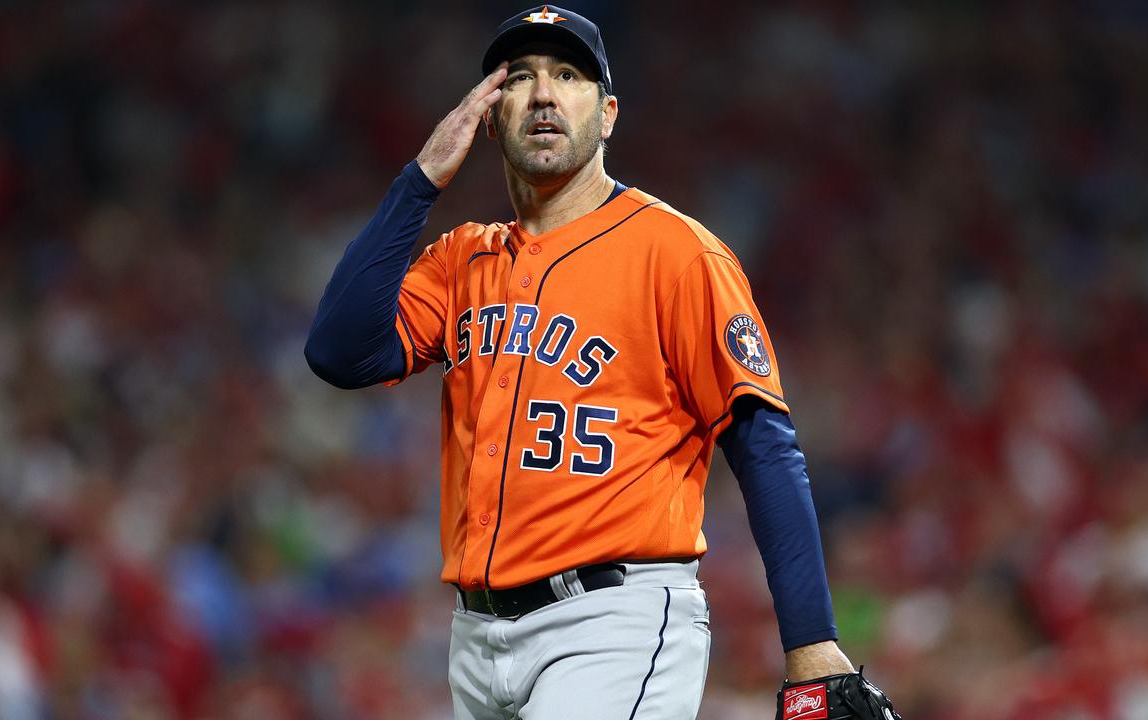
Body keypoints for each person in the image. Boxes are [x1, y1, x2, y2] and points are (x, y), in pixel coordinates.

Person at [305, 6, 900, 719]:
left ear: (609, 112)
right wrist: (421, 178)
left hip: (613, 621)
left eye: (568, 75)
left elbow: (763, 444)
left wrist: (811, 641)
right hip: (475, 636)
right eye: (519, 78)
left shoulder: (676, 253)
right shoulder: (463, 259)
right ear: (490, 115)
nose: (544, 94)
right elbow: (338, 352)